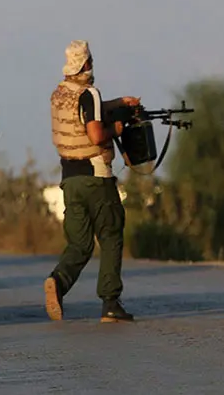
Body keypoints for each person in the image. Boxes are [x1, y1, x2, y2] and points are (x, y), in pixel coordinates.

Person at [44, 40, 140, 324]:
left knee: (80, 243)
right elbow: (97, 134)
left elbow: (86, 111)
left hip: (70, 181)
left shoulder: (59, 94)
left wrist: (120, 103)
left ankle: (57, 282)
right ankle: (110, 303)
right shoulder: (90, 93)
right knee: (111, 234)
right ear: (86, 65)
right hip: (96, 177)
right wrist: (118, 127)